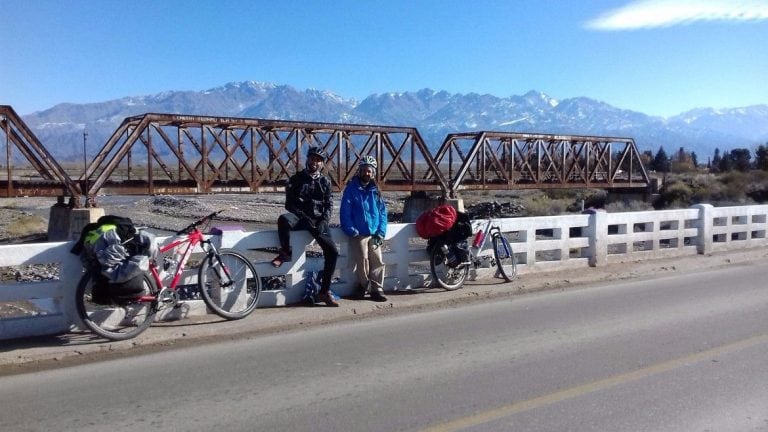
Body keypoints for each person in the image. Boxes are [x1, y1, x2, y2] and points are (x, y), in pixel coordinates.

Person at [271, 146, 339, 307]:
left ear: (322, 164)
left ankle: (324, 291)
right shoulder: (296, 179)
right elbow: (289, 204)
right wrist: (303, 217)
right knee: (283, 220)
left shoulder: (325, 181)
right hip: (302, 218)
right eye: (312, 158)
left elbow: (329, 203)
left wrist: (324, 220)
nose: (314, 162)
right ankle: (285, 252)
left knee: (333, 252)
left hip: (318, 220)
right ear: (307, 160)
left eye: (318, 160)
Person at [340, 155, 388, 302]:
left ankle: (377, 288)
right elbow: (345, 211)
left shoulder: (376, 190)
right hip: (359, 233)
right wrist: (351, 229)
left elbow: (382, 212)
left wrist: (381, 231)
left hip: (374, 232)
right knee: (362, 260)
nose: (367, 173)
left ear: (373, 173)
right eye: (364, 170)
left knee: (377, 259)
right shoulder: (351, 189)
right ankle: (363, 285)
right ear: (359, 171)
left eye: (369, 171)